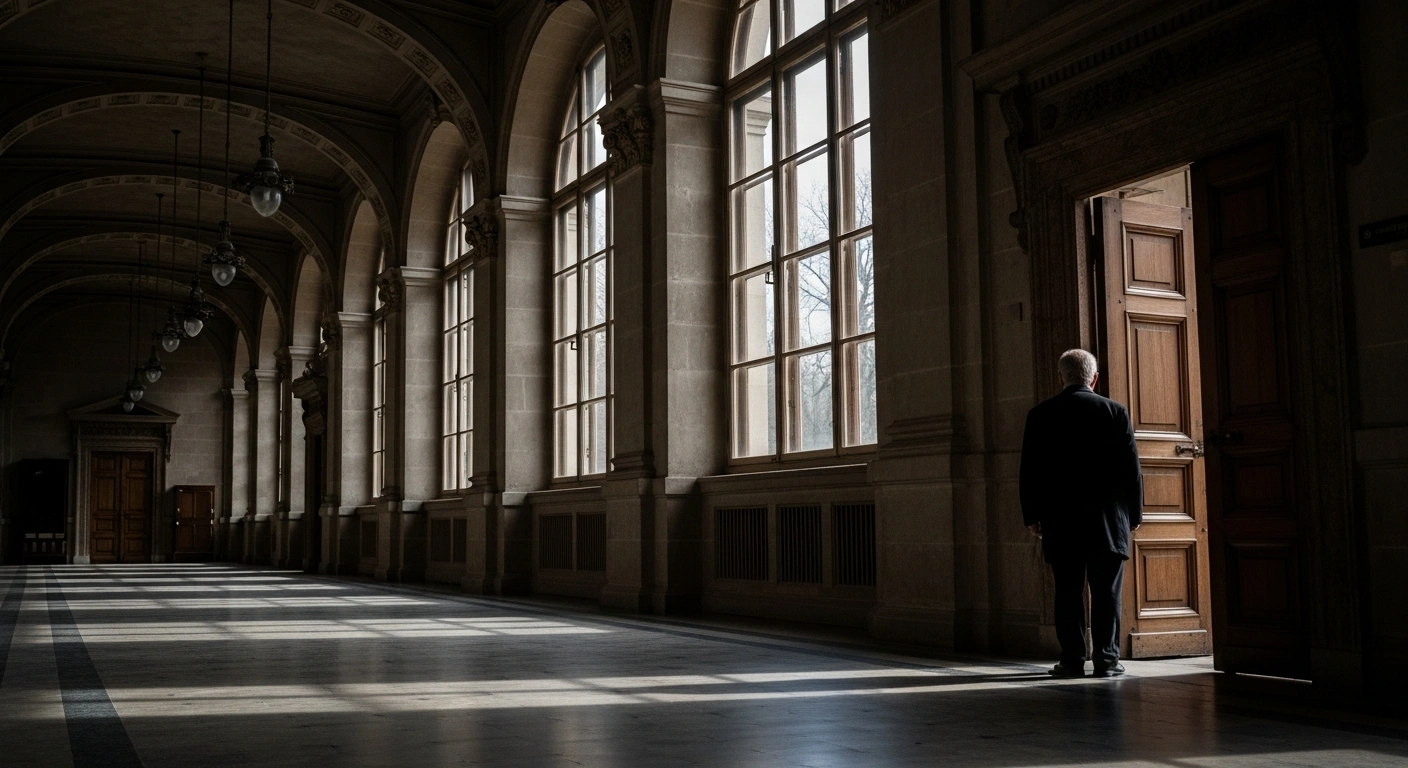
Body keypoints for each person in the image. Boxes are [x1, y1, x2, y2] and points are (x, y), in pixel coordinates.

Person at [1020, 349, 1143, 678]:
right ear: (1095, 378)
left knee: (1067, 592)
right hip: (1107, 520)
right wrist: (1134, 514)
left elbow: (1030, 470)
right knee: (1107, 593)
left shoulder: (1041, 414)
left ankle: (1072, 659)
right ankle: (1106, 659)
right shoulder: (1115, 412)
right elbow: (1131, 470)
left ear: (1061, 377)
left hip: (1061, 520)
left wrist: (1031, 515)